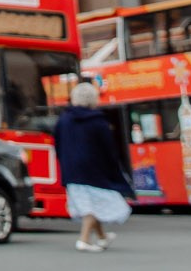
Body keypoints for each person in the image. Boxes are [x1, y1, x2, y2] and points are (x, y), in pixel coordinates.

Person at [54, 81, 132, 253]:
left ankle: (102, 237)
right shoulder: (98, 121)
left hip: (71, 169)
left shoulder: (64, 119)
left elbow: (58, 144)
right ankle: (83, 240)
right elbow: (108, 149)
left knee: (87, 202)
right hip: (94, 170)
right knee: (92, 205)